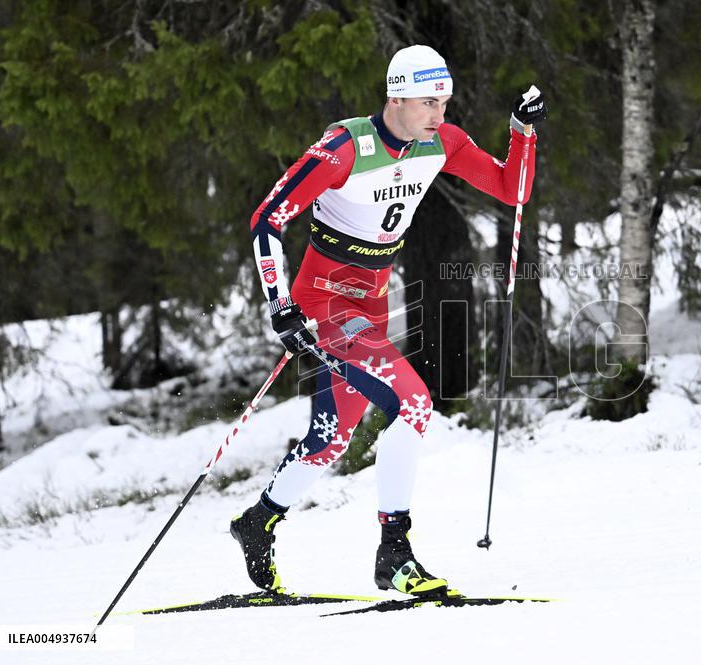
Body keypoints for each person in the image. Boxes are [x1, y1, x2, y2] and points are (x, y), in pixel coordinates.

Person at [229, 44, 546, 597]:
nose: (439, 115)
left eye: (444, 102)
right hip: (326, 306)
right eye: (428, 102)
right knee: (415, 403)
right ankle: (394, 553)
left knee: (331, 438)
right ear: (395, 96)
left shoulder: (440, 142)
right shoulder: (346, 146)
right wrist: (280, 304)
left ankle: (257, 522)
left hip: (369, 307)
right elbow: (267, 218)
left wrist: (522, 132)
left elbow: (510, 190)